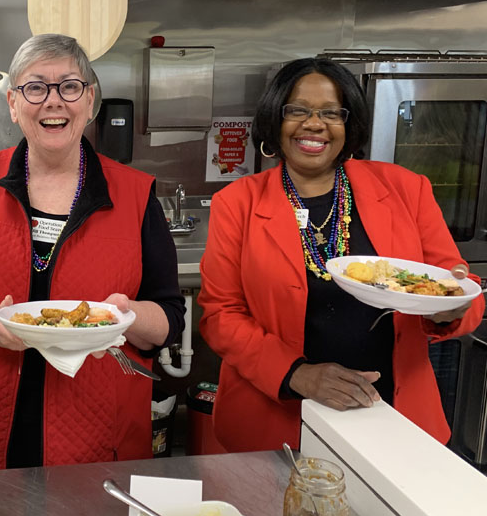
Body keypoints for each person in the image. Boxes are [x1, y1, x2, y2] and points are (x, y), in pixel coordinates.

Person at [0, 33, 185, 469]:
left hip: (97, 429)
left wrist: (125, 315)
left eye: (70, 86)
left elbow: (169, 319)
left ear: (90, 100)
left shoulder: (136, 194)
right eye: (36, 87)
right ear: (14, 105)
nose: (53, 101)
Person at [198, 57, 485, 452]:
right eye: (297, 110)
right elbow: (220, 315)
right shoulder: (238, 203)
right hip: (279, 418)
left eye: (332, 112)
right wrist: (298, 374)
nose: (314, 124)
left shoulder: (405, 188)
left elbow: (459, 290)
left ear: (349, 125)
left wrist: (448, 308)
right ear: (274, 120)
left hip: (396, 419)